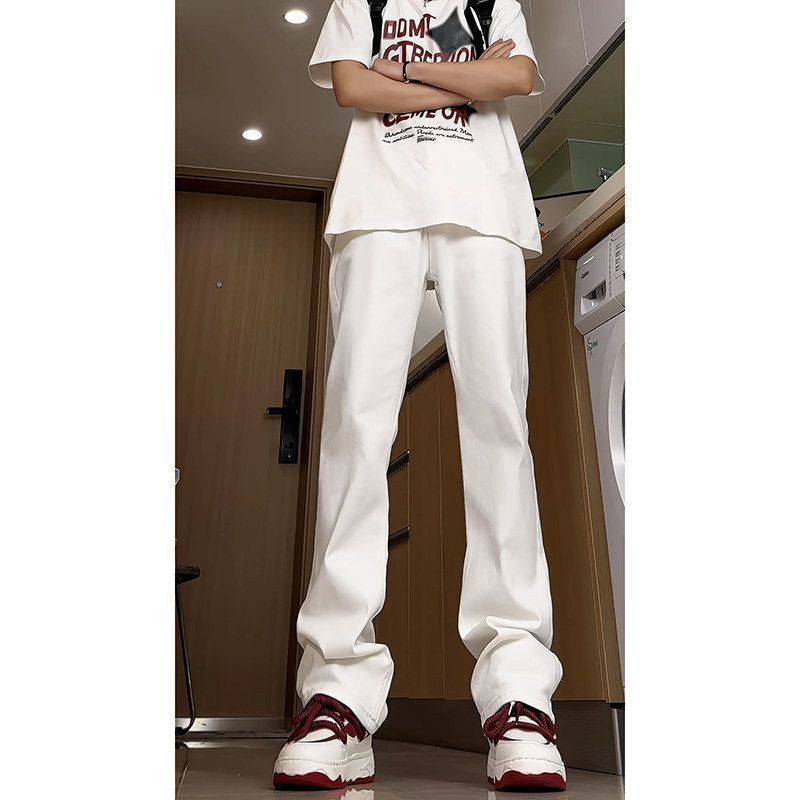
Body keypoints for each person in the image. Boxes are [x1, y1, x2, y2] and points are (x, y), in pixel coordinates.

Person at [273, 0, 565, 791]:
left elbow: (517, 76)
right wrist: (465, 78)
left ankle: (519, 696)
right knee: (354, 430)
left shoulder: (492, 2)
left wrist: (400, 67)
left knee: (501, 430)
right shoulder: (362, 3)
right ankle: (337, 694)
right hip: (376, 208)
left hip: (485, 209)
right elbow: (351, 89)